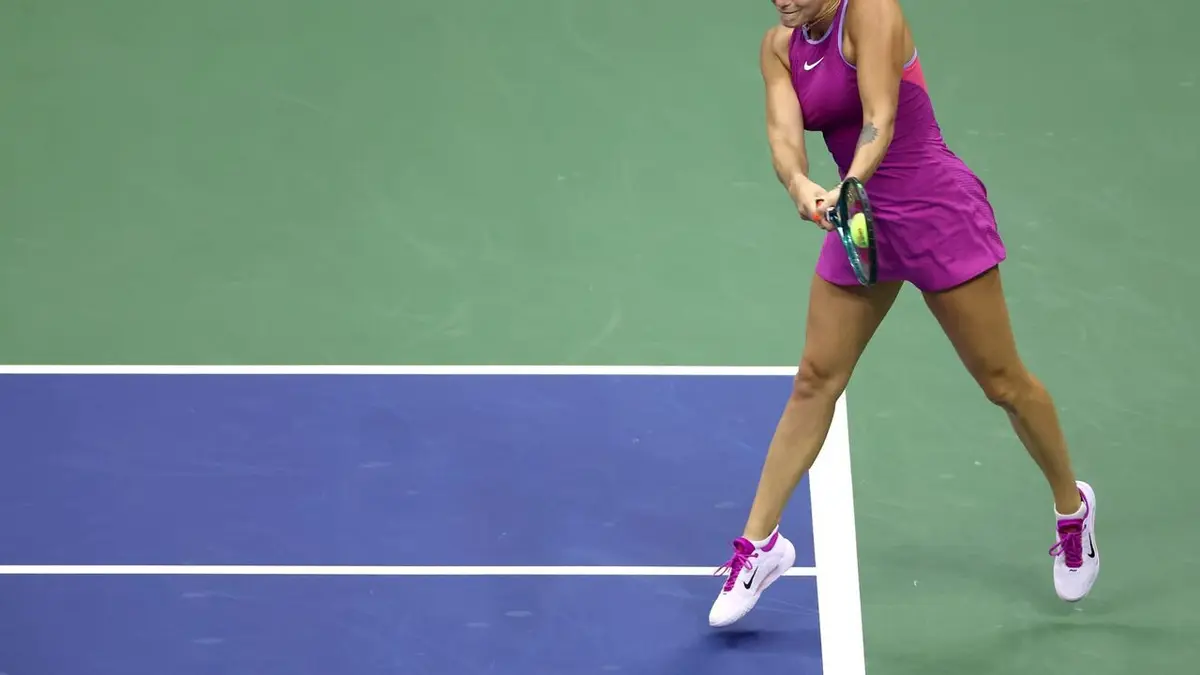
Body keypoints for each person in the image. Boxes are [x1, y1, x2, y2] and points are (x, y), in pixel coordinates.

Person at [708, 0, 1100, 628]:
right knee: (815, 379)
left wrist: (849, 183)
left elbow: (879, 120)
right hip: (863, 220)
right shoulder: (780, 46)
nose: (781, 0)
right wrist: (800, 185)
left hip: (935, 211)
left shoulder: (871, 12)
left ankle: (1072, 509)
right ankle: (760, 547)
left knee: (1003, 383)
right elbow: (784, 137)